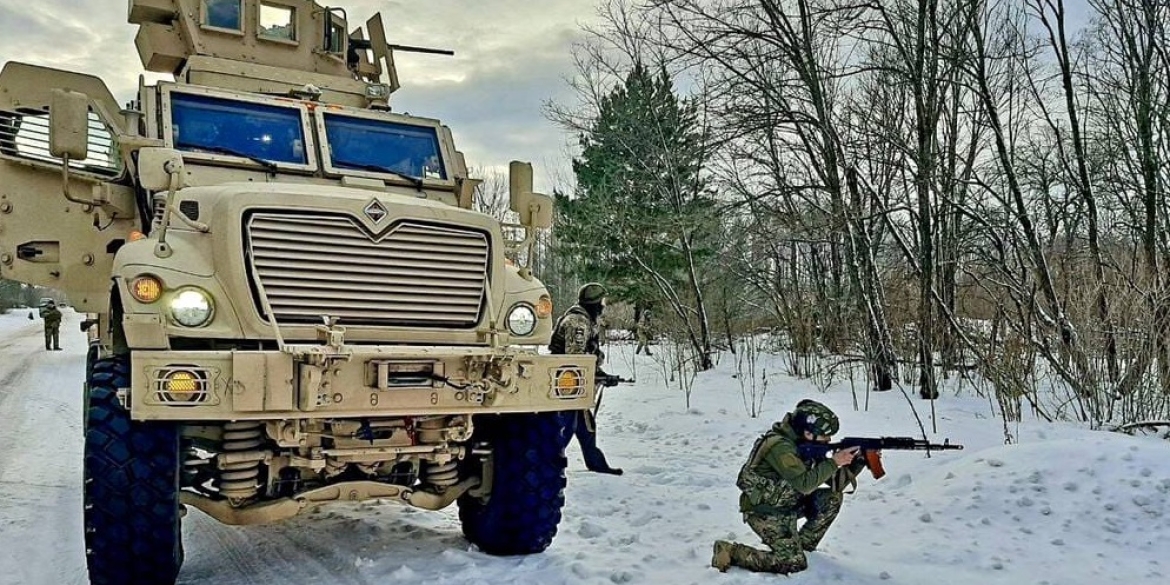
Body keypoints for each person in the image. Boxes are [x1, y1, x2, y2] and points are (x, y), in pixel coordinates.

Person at [712, 399, 869, 574]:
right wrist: (834, 462)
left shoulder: (807, 445)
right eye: (825, 436)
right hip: (765, 511)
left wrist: (859, 461)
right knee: (793, 564)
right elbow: (804, 484)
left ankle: (802, 547)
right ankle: (731, 551)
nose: (829, 440)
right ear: (808, 433)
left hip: (789, 502)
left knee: (832, 498)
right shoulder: (780, 447)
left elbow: (836, 483)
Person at [548, 282, 623, 476]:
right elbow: (575, 362)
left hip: (572, 384)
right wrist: (598, 376)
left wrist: (600, 375)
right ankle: (549, 466)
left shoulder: (584, 319)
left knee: (585, 426)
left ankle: (595, 462)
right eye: (601, 302)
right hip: (566, 386)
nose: (603, 306)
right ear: (594, 303)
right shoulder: (578, 323)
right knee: (567, 425)